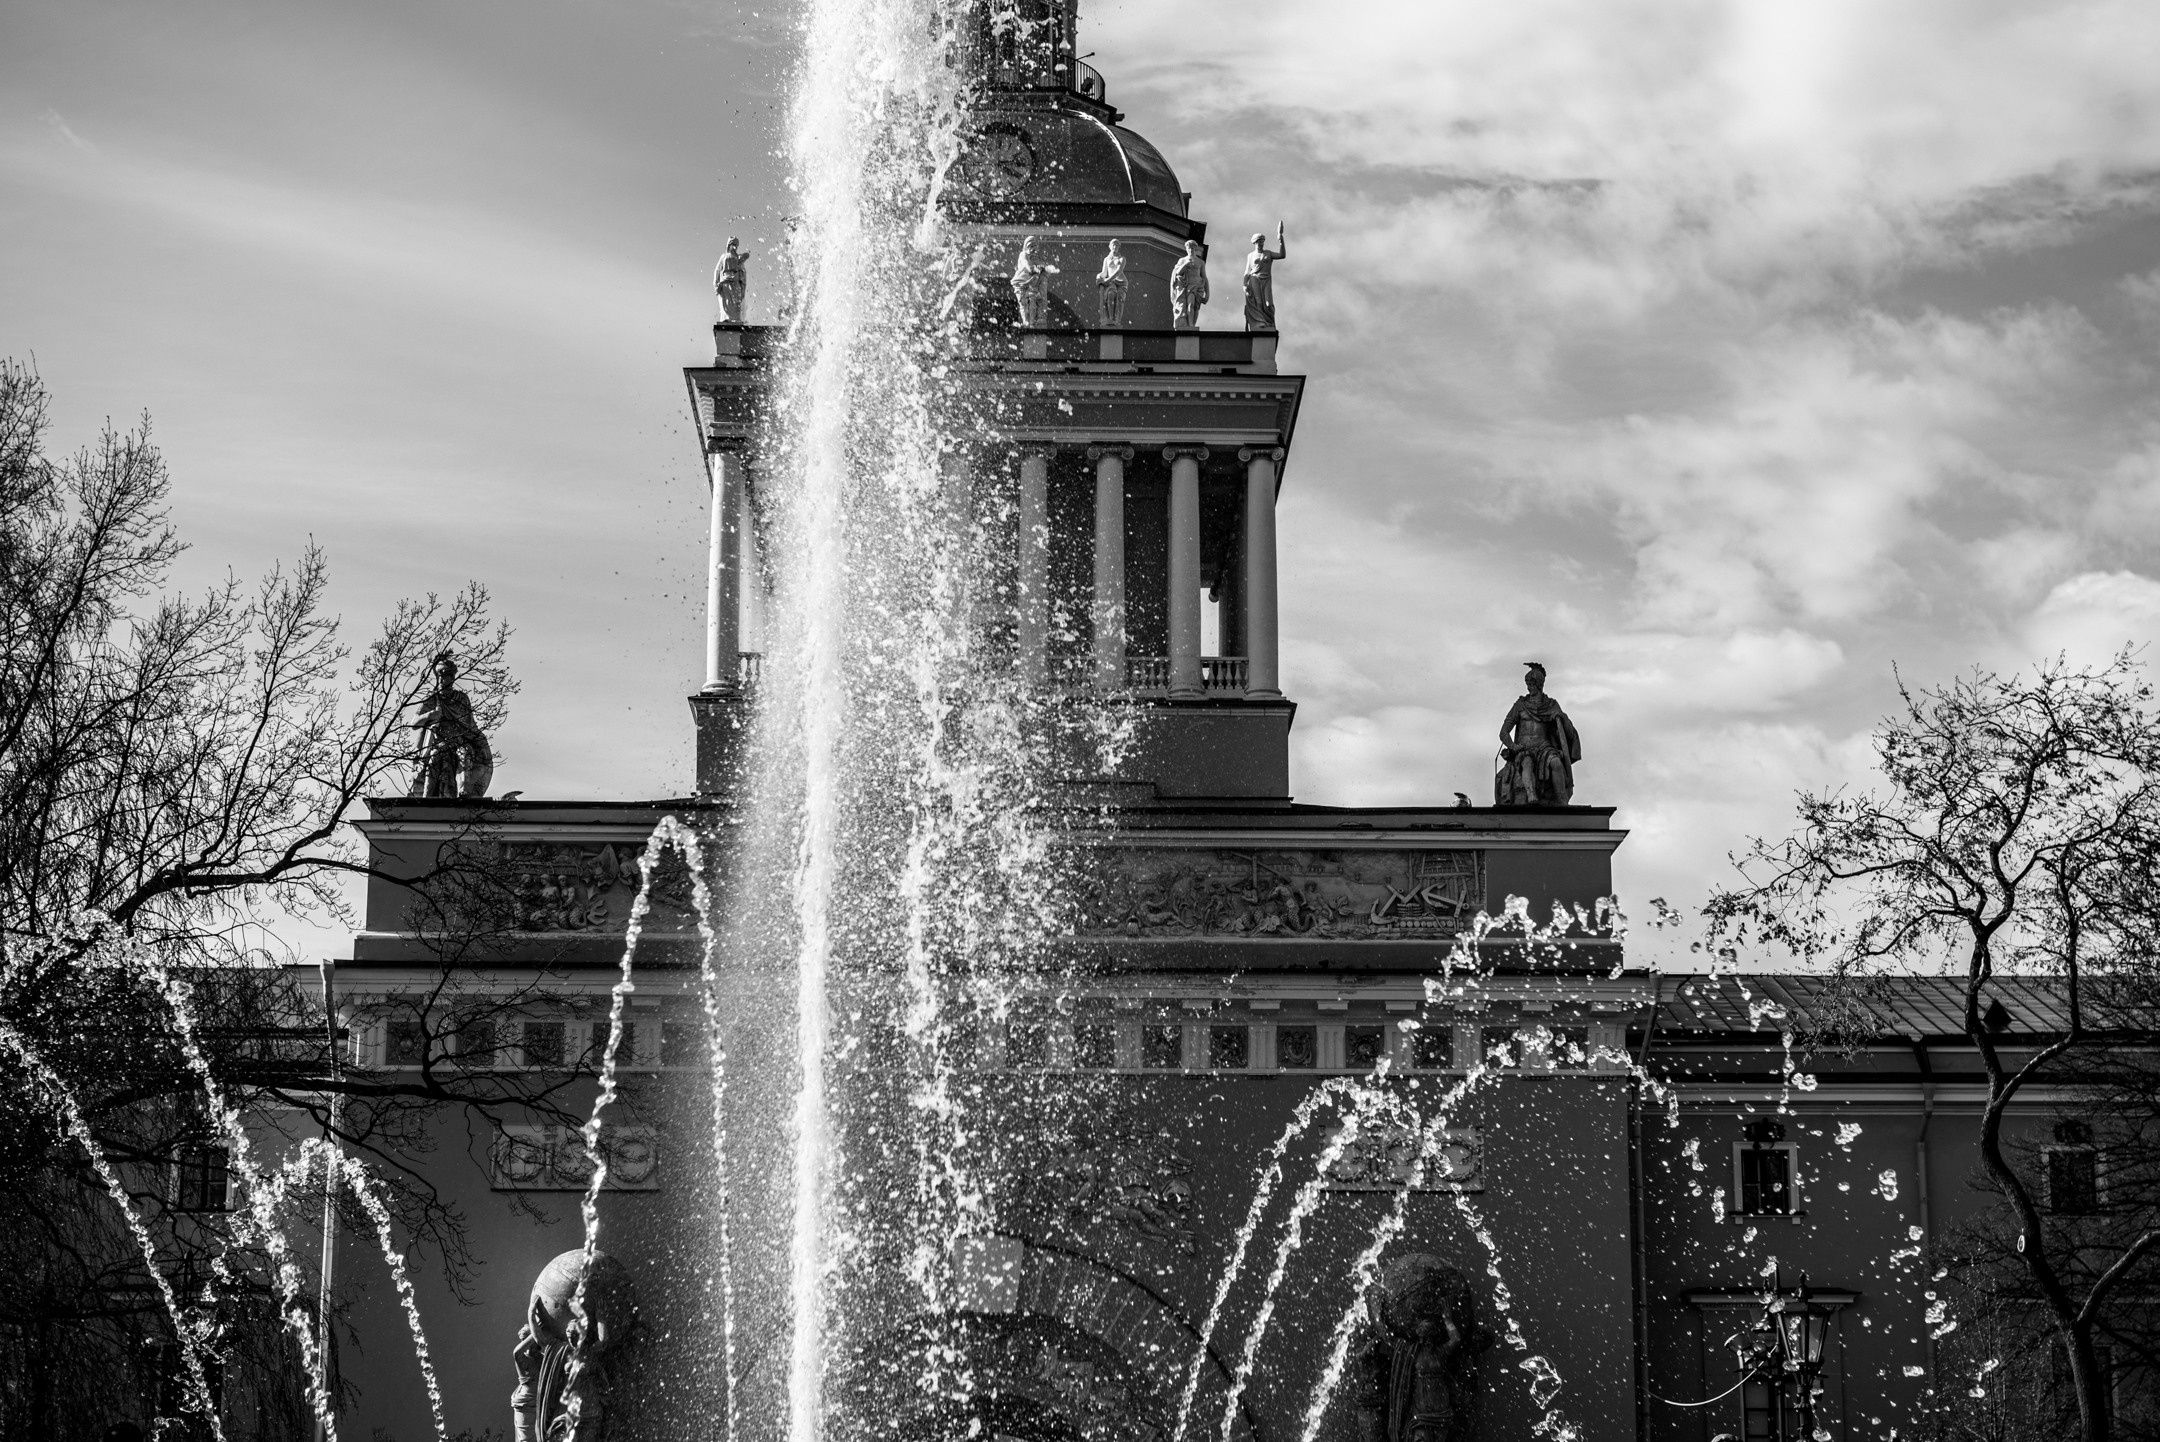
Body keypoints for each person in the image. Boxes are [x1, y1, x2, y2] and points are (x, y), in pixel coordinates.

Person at [1495, 662, 1580, 805]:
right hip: (1524, 748)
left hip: (1544, 747)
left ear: (1539, 685)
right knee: (1527, 763)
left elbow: (1568, 732)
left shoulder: (1551, 705)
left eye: (1531, 684)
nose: (1529, 688)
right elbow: (1503, 732)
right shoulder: (1520, 705)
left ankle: (1562, 800)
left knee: (1556, 763)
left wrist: (1561, 717)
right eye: (1527, 684)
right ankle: (1531, 795)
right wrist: (1513, 746)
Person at [1243, 222, 1286, 330]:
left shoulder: (1268, 253)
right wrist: (1244, 284)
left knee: (1268, 304)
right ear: (1255, 243)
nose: (1261, 244)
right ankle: (1260, 324)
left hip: (1266, 280)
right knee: (1258, 302)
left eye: (1262, 241)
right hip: (1254, 279)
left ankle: (1270, 323)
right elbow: (1247, 271)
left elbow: (1282, 255)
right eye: (1259, 242)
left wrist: (1281, 240)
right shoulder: (1250, 256)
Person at [1009, 236, 1060, 327]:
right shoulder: (1023, 254)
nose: (1033, 249)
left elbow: (1043, 265)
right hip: (1020, 282)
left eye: (1035, 246)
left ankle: (1031, 323)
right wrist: (1033, 269)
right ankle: (1026, 322)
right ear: (1026, 246)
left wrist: (1044, 267)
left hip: (1032, 282)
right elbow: (1027, 265)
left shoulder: (1035, 257)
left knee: (1032, 301)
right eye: (1031, 246)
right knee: (1023, 303)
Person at [1170, 239, 1208, 330]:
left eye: (1192, 248)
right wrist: (1185, 265)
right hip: (1187, 286)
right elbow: (1177, 273)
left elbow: (1204, 278)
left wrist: (1207, 293)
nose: (1190, 250)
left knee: (1195, 307)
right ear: (1186, 249)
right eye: (1189, 248)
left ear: (1195, 249)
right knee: (1190, 305)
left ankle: (1192, 324)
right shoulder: (1182, 260)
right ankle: (1190, 325)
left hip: (1198, 286)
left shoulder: (1200, 262)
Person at [713, 237, 751, 323]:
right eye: (733, 244)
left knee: (736, 302)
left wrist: (743, 285)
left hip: (735, 283)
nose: (735, 247)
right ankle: (726, 319)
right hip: (725, 283)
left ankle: (736, 320)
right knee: (726, 303)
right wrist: (715, 282)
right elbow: (717, 270)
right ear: (729, 245)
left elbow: (743, 271)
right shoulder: (724, 256)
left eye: (736, 245)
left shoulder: (738, 258)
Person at [1095, 239, 1129, 327]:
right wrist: (1099, 276)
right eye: (1113, 245)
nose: (1115, 247)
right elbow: (1104, 272)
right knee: (1110, 294)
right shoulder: (1106, 259)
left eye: (1117, 245)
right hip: (1111, 282)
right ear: (1110, 247)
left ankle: (1117, 321)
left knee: (1119, 301)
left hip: (1122, 283)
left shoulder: (1122, 259)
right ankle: (1110, 319)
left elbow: (1118, 271)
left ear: (1119, 247)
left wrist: (1107, 281)